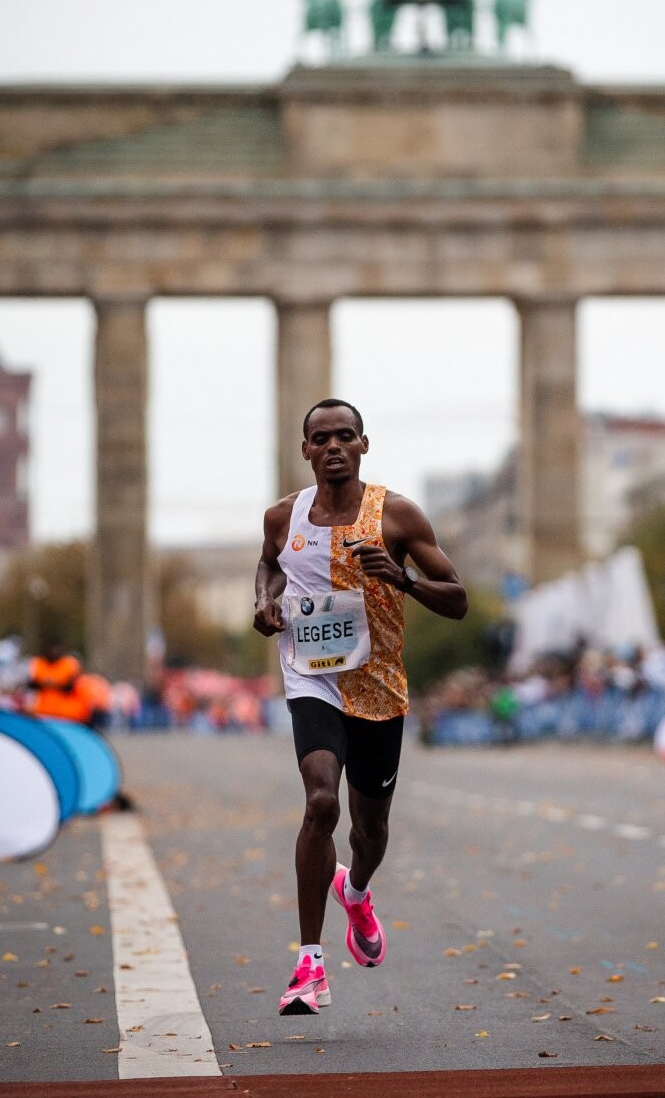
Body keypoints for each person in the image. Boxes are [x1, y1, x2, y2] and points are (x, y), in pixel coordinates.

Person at [253, 398, 467, 1015]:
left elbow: (457, 599)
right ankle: (309, 964)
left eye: (345, 436)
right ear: (305, 450)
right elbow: (269, 565)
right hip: (312, 679)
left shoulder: (396, 515)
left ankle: (357, 888)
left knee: (369, 831)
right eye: (321, 439)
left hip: (378, 688)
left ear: (363, 444)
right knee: (321, 802)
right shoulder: (282, 516)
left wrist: (402, 579)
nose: (333, 447)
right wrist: (264, 602)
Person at [25, 641, 92, 724]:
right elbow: (31, 685)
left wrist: (55, 684)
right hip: (43, 710)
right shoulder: (38, 663)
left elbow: (72, 687)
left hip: (66, 714)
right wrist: (43, 683)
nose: (54, 652)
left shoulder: (68, 664)